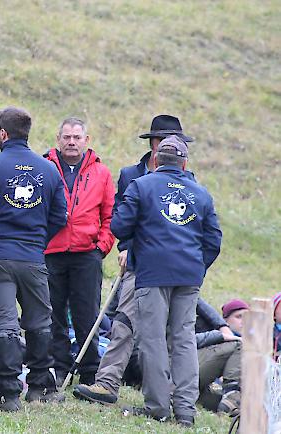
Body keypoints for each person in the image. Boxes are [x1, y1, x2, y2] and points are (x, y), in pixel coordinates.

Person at [74, 115, 195, 404]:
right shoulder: (131, 175)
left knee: (172, 335)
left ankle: (172, 396)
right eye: (167, 139)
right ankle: (107, 383)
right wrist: (125, 247)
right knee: (124, 322)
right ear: (154, 144)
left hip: (172, 268)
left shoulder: (189, 181)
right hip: (138, 262)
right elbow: (121, 216)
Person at [112, 135, 222, 427]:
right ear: (185, 163)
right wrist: (198, 267)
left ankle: (157, 406)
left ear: (157, 160)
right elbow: (213, 240)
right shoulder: (201, 193)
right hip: (188, 276)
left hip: (152, 273)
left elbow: (119, 225)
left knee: (153, 339)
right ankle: (185, 410)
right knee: (184, 340)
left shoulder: (141, 185)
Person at [0, 107, 68, 412]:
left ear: (3, 134)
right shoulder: (50, 170)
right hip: (32, 258)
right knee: (40, 321)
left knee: (4, 326)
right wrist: (38, 242)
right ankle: (40, 386)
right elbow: (60, 217)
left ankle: (8, 393)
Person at [43, 117, 115, 386]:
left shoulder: (102, 173)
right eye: (66, 137)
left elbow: (110, 215)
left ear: (87, 140)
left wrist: (101, 247)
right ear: (58, 139)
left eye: (76, 137)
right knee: (54, 313)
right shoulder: (46, 166)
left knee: (87, 315)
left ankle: (89, 371)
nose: (71, 142)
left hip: (87, 254)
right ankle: (58, 367)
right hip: (52, 251)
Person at [194, 298, 248, 414]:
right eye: (239, 317)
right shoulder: (213, 332)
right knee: (241, 345)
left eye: (247, 318)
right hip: (182, 374)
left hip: (198, 388)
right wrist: (221, 334)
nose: (244, 321)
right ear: (225, 319)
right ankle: (232, 395)